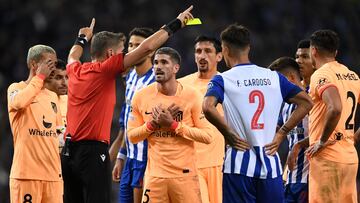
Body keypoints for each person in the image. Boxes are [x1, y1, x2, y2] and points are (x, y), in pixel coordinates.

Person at [62, 6, 195, 203]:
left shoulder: (75, 69)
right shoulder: (105, 70)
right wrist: (177, 23)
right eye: (121, 52)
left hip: (68, 150)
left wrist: (82, 38)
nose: (125, 55)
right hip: (91, 153)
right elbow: (147, 48)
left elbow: (73, 54)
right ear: (109, 54)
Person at [202, 24, 313, 203]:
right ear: (249, 48)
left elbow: (207, 107)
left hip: (238, 164)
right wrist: (281, 133)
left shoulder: (223, 79)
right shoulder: (273, 77)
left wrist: (228, 134)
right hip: (270, 164)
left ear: (225, 50)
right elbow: (307, 102)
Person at [127, 47, 213, 203]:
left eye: (164, 62)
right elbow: (131, 136)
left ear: (176, 68)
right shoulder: (141, 97)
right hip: (155, 178)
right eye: (155, 62)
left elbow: (207, 136)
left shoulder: (192, 96)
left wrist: (174, 125)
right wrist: (153, 124)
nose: (158, 66)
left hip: (185, 176)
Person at [305, 29, 360, 203]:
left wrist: (321, 141)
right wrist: (355, 137)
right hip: (350, 157)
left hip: (328, 158)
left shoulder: (321, 75)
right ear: (335, 52)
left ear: (313, 50)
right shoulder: (353, 75)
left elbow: (335, 107)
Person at [7, 45, 63, 203]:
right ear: (34, 64)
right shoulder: (16, 89)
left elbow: (59, 134)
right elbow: (19, 102)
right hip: (27, 176)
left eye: (55, 64)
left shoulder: (53, 97)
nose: (54, 68)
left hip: (53, 177)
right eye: (49, 63)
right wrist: (39, 78)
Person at [109, 27, 156, 203]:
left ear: (150, 51)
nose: (133, 49)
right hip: (130, 158)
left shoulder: (156, 82)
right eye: (130, 45)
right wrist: (121, 156)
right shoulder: (130, 78)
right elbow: (129, 122)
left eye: (139, 45)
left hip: (146, 160)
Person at [178, 35, 224, 203]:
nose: (202, 56)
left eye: (208, 51)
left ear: (219, 56)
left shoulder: (229, 84)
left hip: (221, 164)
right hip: (191, 165)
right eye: (198, 51)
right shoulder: (181, 85)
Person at [269, 57, 309, 203]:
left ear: (291, 78)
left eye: (278, 81)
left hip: (309, 178)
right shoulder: (286, 104)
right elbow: (276, 129)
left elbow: (321, 133)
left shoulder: (312, 99)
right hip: (290, 177)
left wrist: (299, 146)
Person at [44, 59, 68, 150]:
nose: (64, 83)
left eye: (67, 77)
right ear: (48, 79)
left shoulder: (70, 102)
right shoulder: (38, 101)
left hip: (66, 159)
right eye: (58, 78)